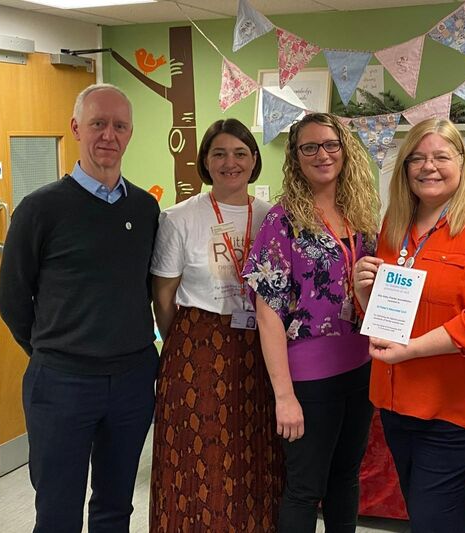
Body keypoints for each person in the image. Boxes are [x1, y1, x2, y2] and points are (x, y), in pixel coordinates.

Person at [0, 83, 160, 532]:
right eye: (98, 124)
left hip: (131, 381)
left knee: (115, 506)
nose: (109, 135)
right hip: (62, 384)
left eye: (119, 126)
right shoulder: (40, 209)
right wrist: (53, 350)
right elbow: (11, 298)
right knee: (58, 511)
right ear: (75, 129)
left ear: (130, 134)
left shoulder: (146, 208)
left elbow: (145, 288)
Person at [353, 118, 465, 532]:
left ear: (461, 163)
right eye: (418, 158)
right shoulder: (396, 222)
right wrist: (361, 291)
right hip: (397, 402)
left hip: (455, 409)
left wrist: (412, 349)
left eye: (441, 156)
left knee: (433, 521)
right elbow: (388, 312)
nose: (429, 167)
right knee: (430, 519)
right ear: (405, 167)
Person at [242, 112, 379, 533]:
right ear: (296, 157)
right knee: (304, 487)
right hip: (309, 377)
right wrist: (284, 396)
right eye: (310, 147)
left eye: (331, 145)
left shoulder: (360, 213)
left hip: (361, 368)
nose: (323, 154)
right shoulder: (283, 221)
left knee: (345, 479)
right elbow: (267, 315)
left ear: (345, 150)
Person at [149, 118, 283, 531]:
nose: (230, 162)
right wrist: (189, 343)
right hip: (196, 351)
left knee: (255, 451)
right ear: (205, 161)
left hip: (259, 347)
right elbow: (163, 299)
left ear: (255, 160)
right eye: (219, 153)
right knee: (197, 458)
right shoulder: (178, 218)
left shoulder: (272, 217)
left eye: (240, 153)